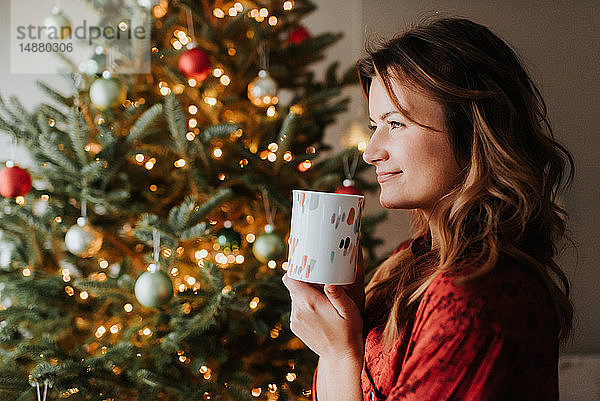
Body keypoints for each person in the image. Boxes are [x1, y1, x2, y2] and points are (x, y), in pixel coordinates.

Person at [282, 16, 575, 401]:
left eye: (396, 123)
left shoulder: (478, 295)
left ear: (472, 131)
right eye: (375, 126)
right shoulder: (409, 264)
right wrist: (349, 319)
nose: (371, 152)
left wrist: (338, 353)